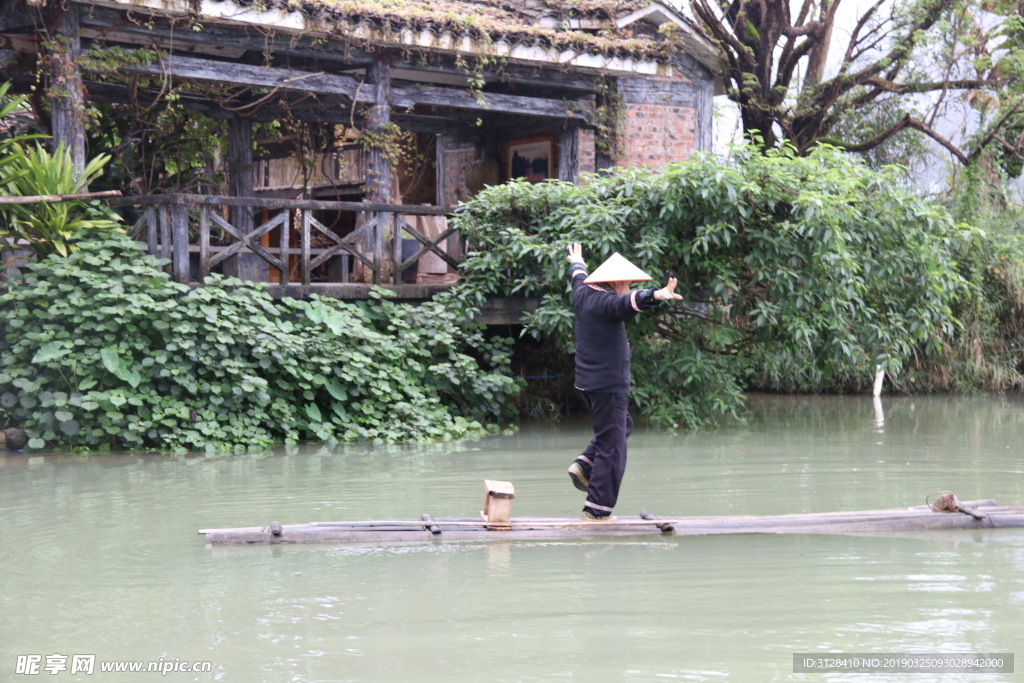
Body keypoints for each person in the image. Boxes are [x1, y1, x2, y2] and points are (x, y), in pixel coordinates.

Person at [564, 243, 682, 520]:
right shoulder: (607, 302)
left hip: (588, 381)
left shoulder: (583, 292)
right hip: (608, 385)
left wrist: (577, 261)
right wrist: (658, 294)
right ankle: (597, 511)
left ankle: (584, 464)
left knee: (621, 426)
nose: (628, 286)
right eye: (627, 282)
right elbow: (628, 302)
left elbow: (577, 276)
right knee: (613, 447)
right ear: (615, 281)